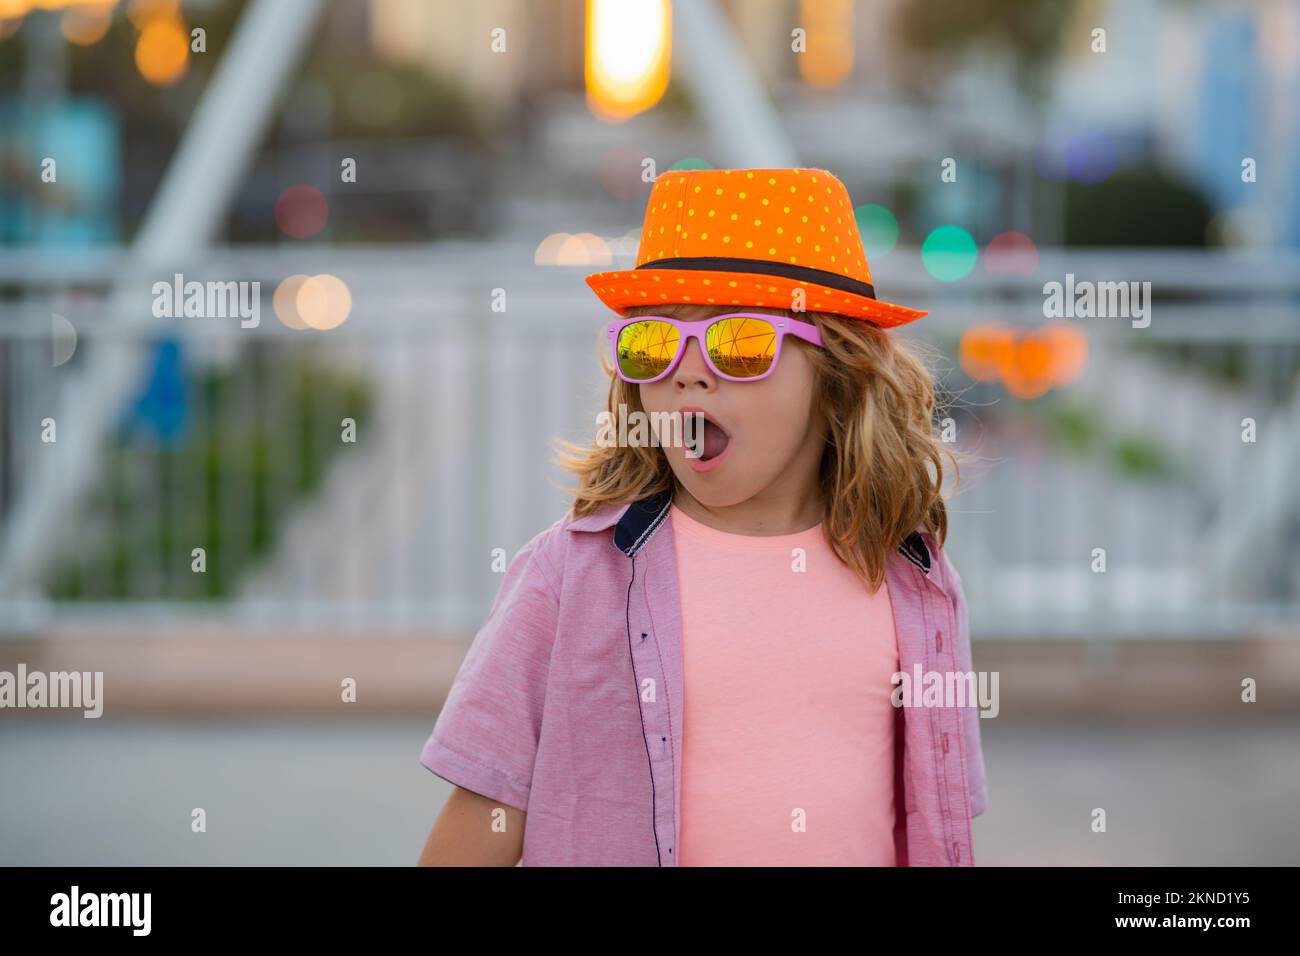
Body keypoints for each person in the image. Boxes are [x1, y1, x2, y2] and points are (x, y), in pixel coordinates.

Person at [416, 168, 987, 866]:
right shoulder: (568, 577)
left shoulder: (916, 580)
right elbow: (486, 811)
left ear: (841, 369)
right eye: (654, 343)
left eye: (740, 343)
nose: (687, 372)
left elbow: (938, 813)